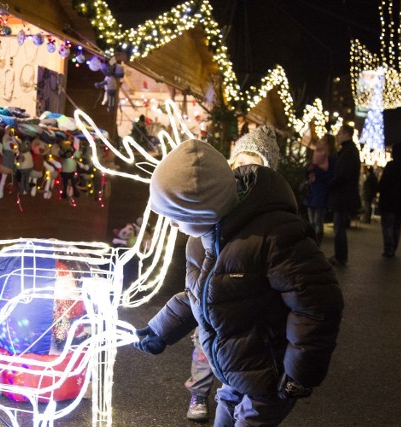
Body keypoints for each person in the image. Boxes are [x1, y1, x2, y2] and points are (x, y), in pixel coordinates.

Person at [135, 139, 343, 426]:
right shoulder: (199, 241)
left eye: (176, 217)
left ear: (204, 210)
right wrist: (161, 329)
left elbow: (317, 305)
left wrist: (299, 374)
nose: (171, 225)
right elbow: (196, 295)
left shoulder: (275, 236)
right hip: (235, 369)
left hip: (272, 375)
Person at [183, 125, 281, 422]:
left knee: (244, 395)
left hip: (251, 332)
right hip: (213, 314)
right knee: (205, 352)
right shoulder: (218, 210)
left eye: (254, 166)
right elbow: (194, 276)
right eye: (239, 164)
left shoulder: (275, 223)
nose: (244, 173)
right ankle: (199, 392)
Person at [327, 124, 361, 266]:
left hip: (342, 196)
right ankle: (340, 255)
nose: (338, 136)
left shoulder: (348, 152)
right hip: (344, 195)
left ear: (347, 134)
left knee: (339, 227)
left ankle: (340, 256)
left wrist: (330, 184)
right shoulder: (349, 151)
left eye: (340, 133)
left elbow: (342, 175)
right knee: (339, 226)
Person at [303, 134, 337, 243]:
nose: (320, 141)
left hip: (321, 191)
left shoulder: (331, 157)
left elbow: (329, 175)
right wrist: (309, 170)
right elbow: (308, 169)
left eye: (323, 140)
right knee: (311, 220)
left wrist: (315, 170)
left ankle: (316, 242)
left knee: (318, 220)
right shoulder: (316, 153)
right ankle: (311, 240)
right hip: (312, 191)